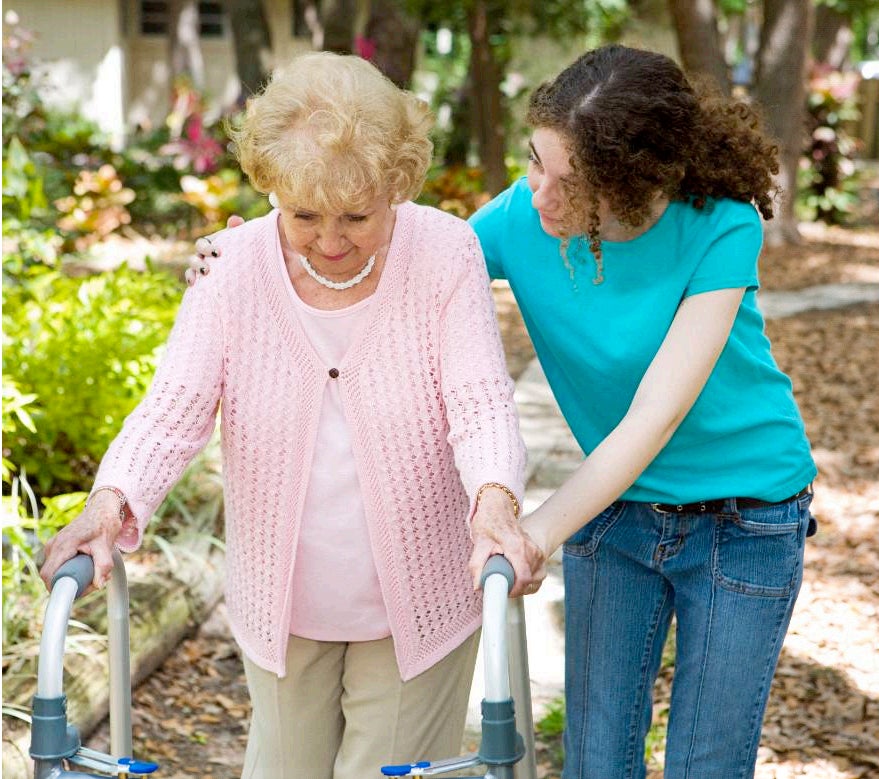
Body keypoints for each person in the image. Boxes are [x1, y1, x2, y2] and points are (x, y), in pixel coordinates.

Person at [193, 44, 818, 779]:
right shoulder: (523, 216)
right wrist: (261, 256)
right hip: (617, 516)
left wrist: (529, 532)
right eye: (533, 162)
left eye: (571, 184)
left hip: (743, 517)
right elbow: (409, 254)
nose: (539, 195)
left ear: (633, 182)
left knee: (703, 765)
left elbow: (652, 419)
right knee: (594, 760)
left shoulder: (719, 226)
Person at [39, 52, 529, 779]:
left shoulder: (443, 252)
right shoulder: (231, 267)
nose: (330, 241)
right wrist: (110, 500)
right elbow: (172, 410)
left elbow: (478, 398)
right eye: (304, 215)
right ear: (270, 186)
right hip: (282, 610)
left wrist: (495, 501)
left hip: (419, 608)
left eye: (356, 216)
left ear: (396, 183)